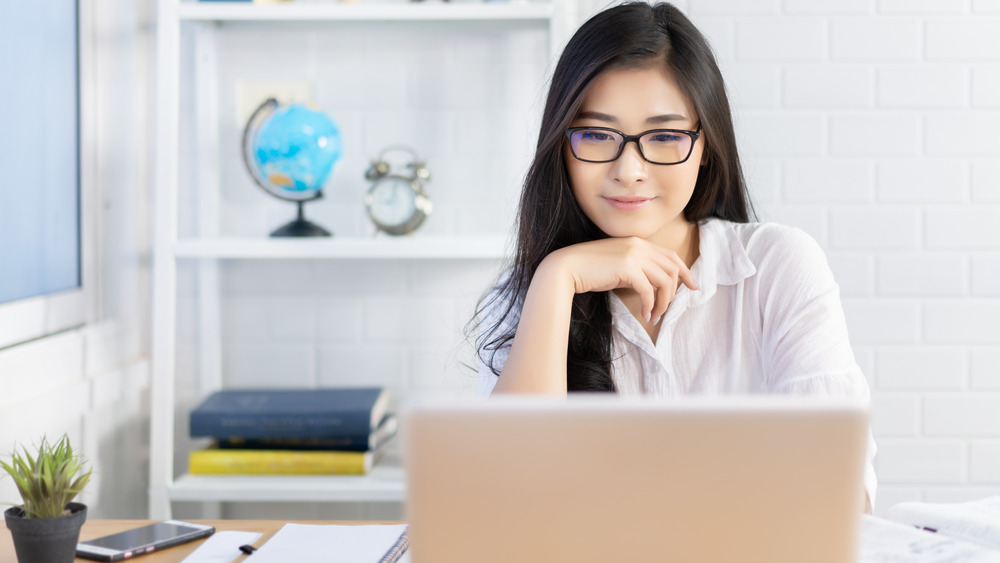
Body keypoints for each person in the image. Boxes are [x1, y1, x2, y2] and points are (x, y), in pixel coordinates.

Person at [470, 1, 876, 512]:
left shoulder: (775, 267)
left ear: (706, 145)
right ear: (561, 146)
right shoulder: (528, 294)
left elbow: (839, 491)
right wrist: (557, 276)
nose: (629, 169)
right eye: (596, 134)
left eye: (664, 136)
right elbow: (504, 503)